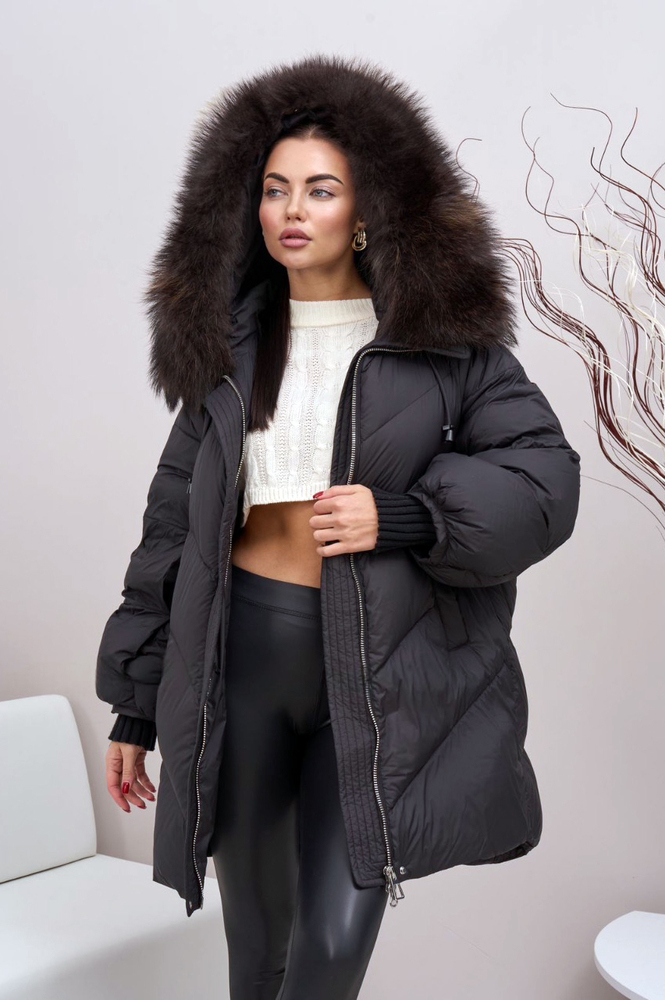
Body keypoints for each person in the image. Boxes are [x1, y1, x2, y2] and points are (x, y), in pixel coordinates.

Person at [95, 54, 581, 1000]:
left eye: (320, 189)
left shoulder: (443, 345)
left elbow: (543, 481)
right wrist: (136, 702)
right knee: (257, 949)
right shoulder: (227, 348)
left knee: (325, 952)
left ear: (365, 210)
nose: (292, 210)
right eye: (274, 189)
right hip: (239, 659)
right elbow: (170, 532)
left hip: (372, 672)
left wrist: (405, 516)